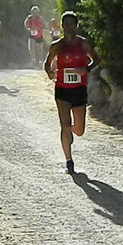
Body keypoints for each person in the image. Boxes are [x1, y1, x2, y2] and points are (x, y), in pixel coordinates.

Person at [44, 11, 100, 173]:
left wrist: (86, 69)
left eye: (71, 24)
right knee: (64, 123)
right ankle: (69, 161)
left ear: (76, 25)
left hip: (79, 89)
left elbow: (96, 60)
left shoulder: (84, 44)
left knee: (79, 130)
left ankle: (70, 132)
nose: (68, 27)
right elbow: (47, 63)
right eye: (65, 24)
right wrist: (49, 73)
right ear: (61, 26)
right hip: (62, 89)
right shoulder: (57, 46)